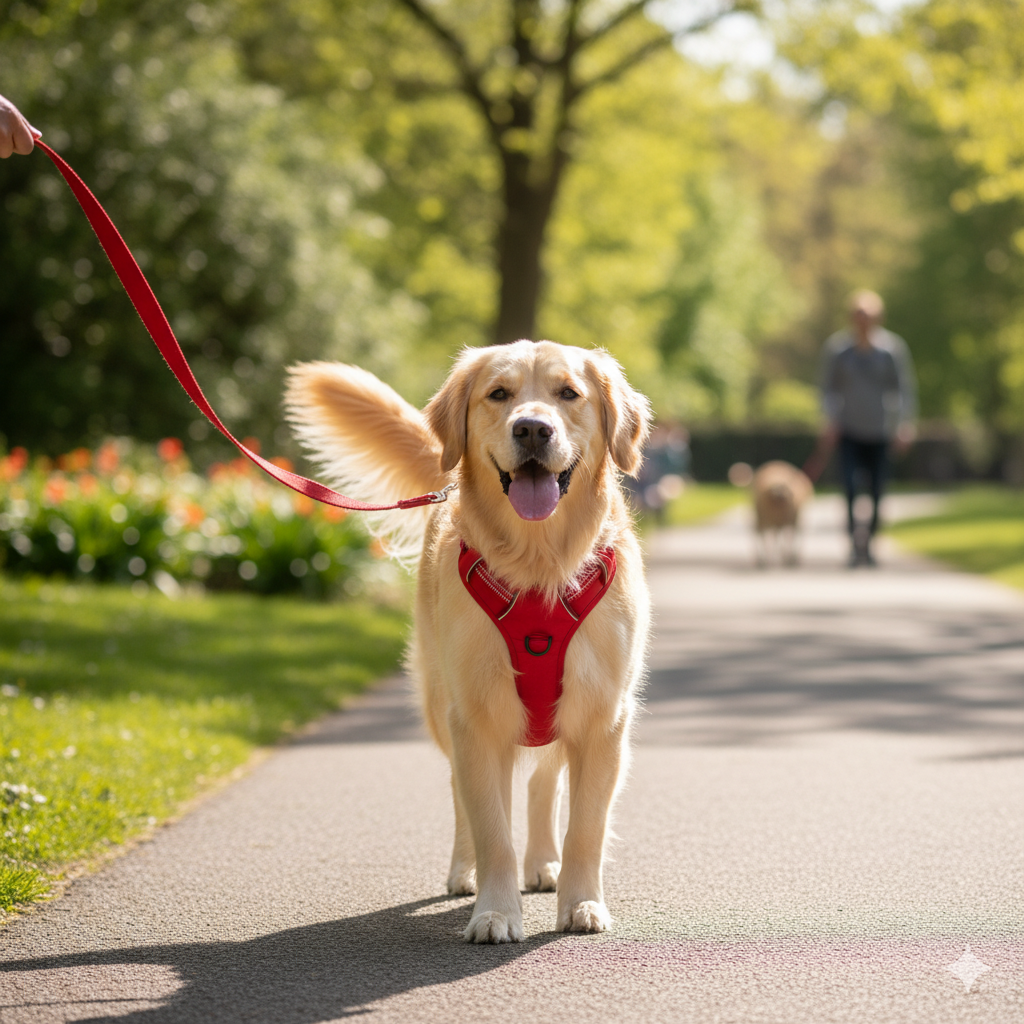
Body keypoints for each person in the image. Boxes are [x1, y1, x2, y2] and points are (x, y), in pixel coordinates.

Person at [819, 289, 917, 567]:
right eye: (858, 315)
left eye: (868, 315)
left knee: (877, 490)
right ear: (851, 317)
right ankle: (852, 544)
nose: (862, 320)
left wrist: (904, 425)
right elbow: (827, 388)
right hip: (848, 429)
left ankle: (870, 544)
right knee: (850, 487)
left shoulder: (891, 350)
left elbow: (903, 389)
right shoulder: (838, 350)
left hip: (880, 431)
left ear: (877, 317)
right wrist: (829, 421)